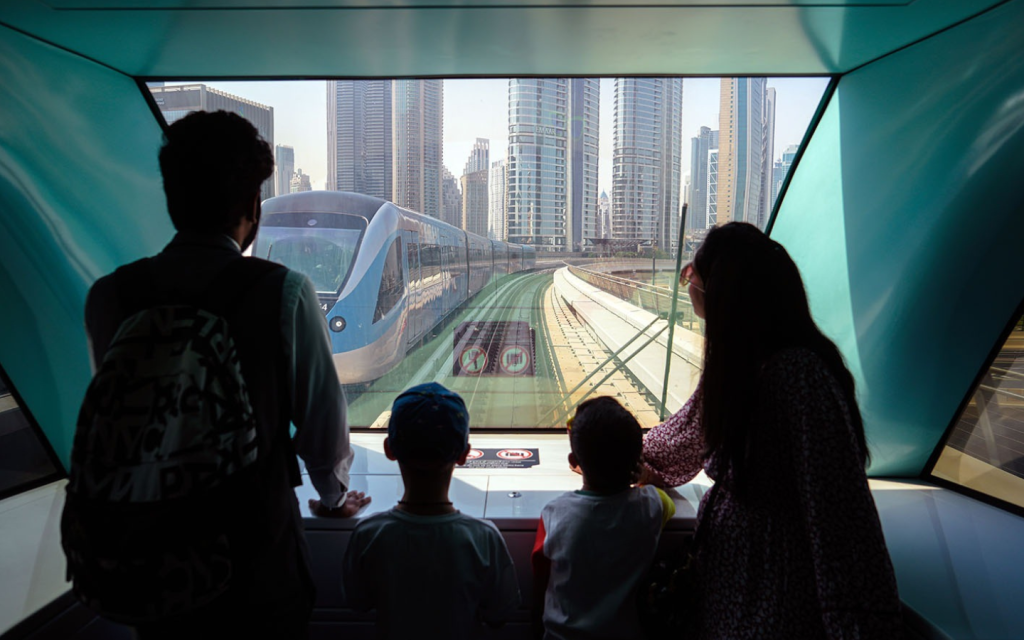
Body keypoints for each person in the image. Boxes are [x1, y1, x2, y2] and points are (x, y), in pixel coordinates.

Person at [81, 111, 369, 638]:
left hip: (147, 563)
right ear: (252, 208)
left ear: (171, 199)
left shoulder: (110, 296)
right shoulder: (283, 292)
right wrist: (332, 497)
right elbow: (321, 428)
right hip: (253, 564)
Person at [641, 222, 902, 639]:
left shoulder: (799, 377)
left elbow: (838, 515)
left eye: (696, 275)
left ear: (727, 296)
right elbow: (685, 437)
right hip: (736, 584)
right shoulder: (740, 364)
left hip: (773, 592)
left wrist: (857, 627)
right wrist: (609, 447)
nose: (688, 280)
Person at [341, 382, 521, 639]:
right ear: (463, 455)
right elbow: (500, 614)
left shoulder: (368, 534)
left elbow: (357, 603)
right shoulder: (484, 537)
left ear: (389, 449)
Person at [534, 396, 676, 640]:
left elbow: (540, 580)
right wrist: (646, 476)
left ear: (574, 462)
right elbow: (662, 493)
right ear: (636, 461)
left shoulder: (554, 514)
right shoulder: (653, 505)